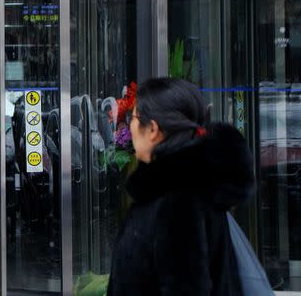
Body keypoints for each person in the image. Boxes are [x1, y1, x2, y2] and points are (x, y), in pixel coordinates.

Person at [107, 77, 255, 296]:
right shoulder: (193, 187)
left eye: (134, 117)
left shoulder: (176, 201)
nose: (130, 125)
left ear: (153, 129)